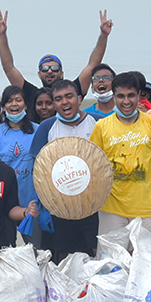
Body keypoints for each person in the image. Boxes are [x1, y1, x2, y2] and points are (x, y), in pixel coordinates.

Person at [90, 72, 151, 237]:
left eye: (131, 96)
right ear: (113, 96)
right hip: (111, 208)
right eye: (120, 96)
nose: (126, 101)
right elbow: (93, 167)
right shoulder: (101, 126)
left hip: (145, 209)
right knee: (111, 262)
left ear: (139, 96)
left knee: (146, 262)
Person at [0, 8, 112, 121]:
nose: (50, 71)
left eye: (55, 68)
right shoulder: (32, 94)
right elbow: (9, 68)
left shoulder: (72, 90)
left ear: (62, 74)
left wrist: (104, 35)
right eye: (45, 69)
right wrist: (2, 35)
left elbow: (92, 65)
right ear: (39, 74)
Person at [28, 79, 100, 258]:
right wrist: (43, 206)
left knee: (96, 256)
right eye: (58, 99)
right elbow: (38, 170)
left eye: (69, 96)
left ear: (80, 98)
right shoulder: (47, 127)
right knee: (64, 259)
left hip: (95, 205)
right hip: (59, 208)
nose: (64, 102)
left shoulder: (98, 123)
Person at [0, 86, 37, 212]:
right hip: (4, 196)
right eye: (9, 101)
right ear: (3, 107)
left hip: (31, 199)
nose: (14, 104)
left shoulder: (38, 130)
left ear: (26, 105)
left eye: (18, 100)